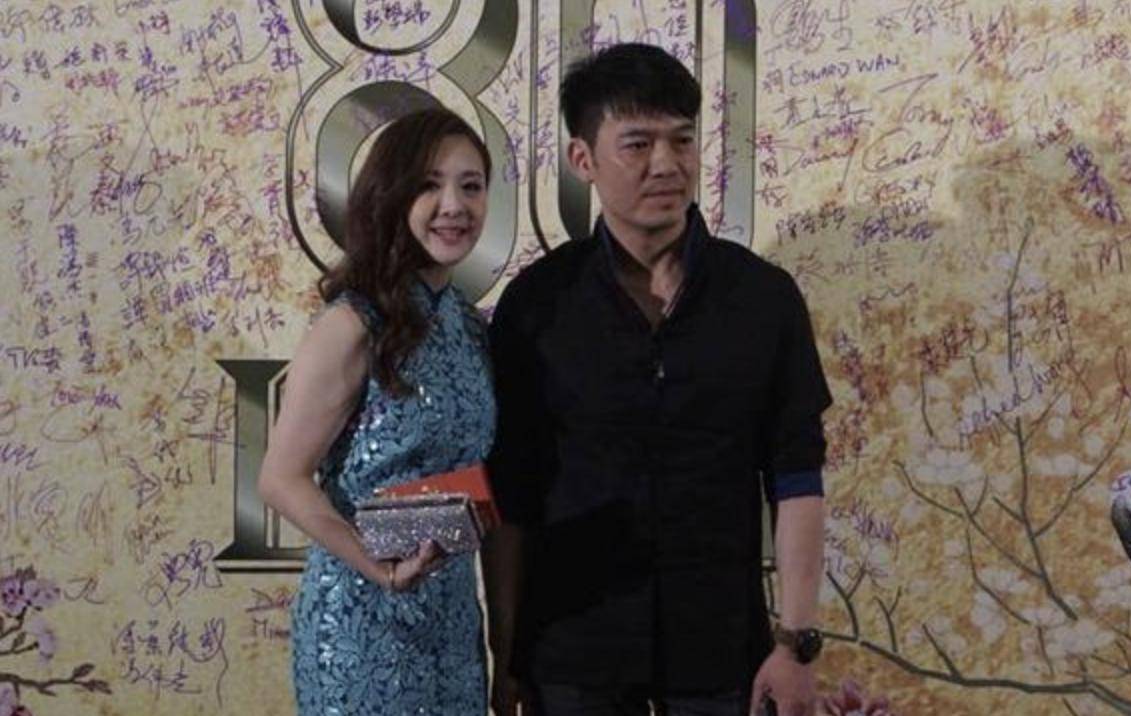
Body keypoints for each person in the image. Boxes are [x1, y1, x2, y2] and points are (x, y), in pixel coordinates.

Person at [484, 43, 831, 716]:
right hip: (572, 654)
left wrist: (794, 645)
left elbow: (796, 478)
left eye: (682, 140)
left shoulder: (764, 299)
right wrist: (507, 652)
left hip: (721, 652)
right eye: (638, 144)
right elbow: (512, 498)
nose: (667, 164)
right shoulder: (537, 304)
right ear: (582, 159)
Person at [256, 107, 496, 714]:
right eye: (429, 185)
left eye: (471, 186)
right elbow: (280, 478)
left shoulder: (471, 327)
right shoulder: (351, 323)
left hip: (451, 622)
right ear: (391, 196)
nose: (454, 206)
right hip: (360, 620)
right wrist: (378, 567)